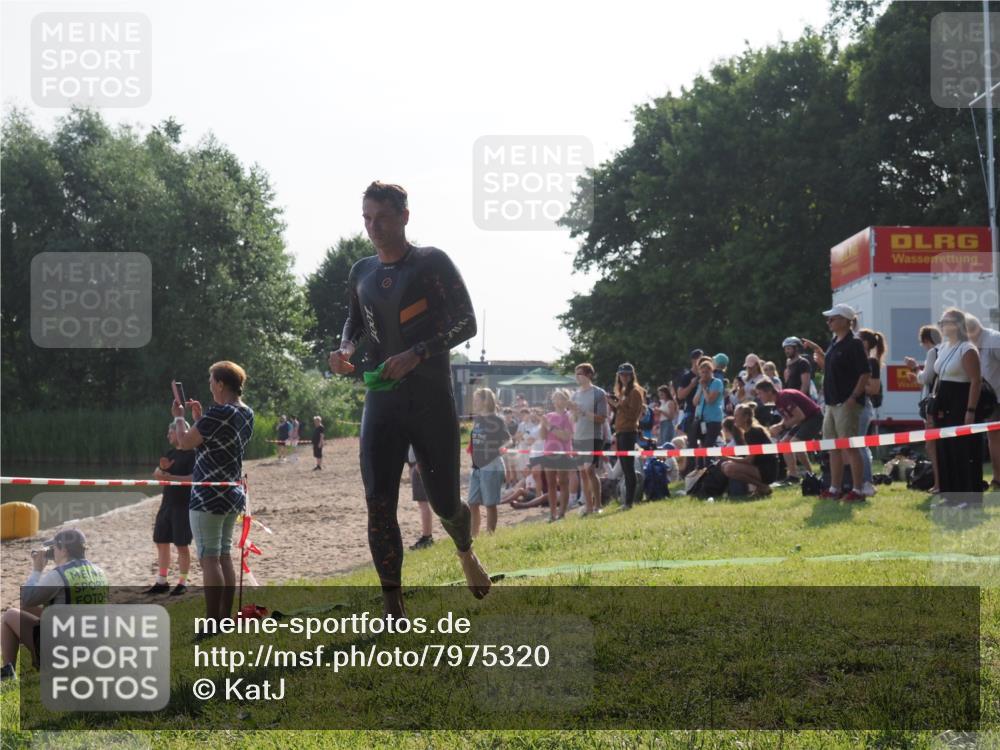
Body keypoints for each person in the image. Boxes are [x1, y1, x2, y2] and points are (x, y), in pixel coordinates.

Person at [329, 181, 490, 617]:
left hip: (430, 400)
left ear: (404, 216)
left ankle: (464, 550)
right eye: (366, 218)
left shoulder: (431, 263)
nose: (372, 227)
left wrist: (417, 352)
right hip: (382, 401)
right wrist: (345, 350)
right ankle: (392, 606)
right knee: (378, 501)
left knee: (442, 500)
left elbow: (467, 323)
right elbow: (354, 322)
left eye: (381, 217)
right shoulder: (360, 271)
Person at [173, 360, 255, 627]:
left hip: (207, 495)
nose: (209, 387)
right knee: (223, 556)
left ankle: (212, 621)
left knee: (209, 557)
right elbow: (219, 443)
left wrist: (180, 417)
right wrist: (199, 420)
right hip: (231, 493)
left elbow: (184, 443)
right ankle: (225, 618)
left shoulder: (218, 413)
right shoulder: (246, 413)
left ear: (221, 383)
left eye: (211, 382)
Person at [1, 529, 107, 681]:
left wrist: (37, 570)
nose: (53, 552)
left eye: (54, 548)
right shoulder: (99, 572)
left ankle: (8, 674)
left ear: (63, 550)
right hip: (91, 649)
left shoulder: (59, 574)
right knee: (28, 609)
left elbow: (26, 598)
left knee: (10, 615)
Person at [810, 304, 870, 502]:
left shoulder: (854, 343)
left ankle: (858, 490)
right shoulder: (834, 342)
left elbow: (865, 373)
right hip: (831, 403)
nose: (829, 322)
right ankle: (835, 488)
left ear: (845, 321)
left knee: (850, 447)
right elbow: (831, 370)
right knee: (832, 447)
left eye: (833, 318)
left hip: (847, 403)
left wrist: (853, 397)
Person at [932, 308, 984, 507]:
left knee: (962, 450)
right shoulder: (944, 347)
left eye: (946, 322)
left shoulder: (967, 348)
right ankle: (950, 495)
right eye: (941, 322)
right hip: (943, 403)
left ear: (958, 325)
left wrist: (970, 411)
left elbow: (975, 380)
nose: (942, 326)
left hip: (961, 402)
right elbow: (939, 375)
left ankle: (968, 498)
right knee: (945, 449)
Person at [144, 420, 196, 595]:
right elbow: (157, 475)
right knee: (161, 540)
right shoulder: (171, 452)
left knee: (182, 544)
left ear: (182, 432)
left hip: (184, 505)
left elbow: (193, 478)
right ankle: (162, 580)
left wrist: (170, 476)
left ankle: (182, 582)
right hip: (167, 502)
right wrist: (162, 471)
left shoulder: (193, 453)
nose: (168, 435)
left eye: (171, 431)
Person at [755, 380, 822, 482]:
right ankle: (793, 476)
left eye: (760, 393)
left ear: (769, 391)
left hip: (814, 418)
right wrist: (779, 426)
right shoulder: (778, 400)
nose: (759, 397)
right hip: (804, 420)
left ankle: (810, 474)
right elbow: (789, 417)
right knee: (784, 444)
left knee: (795, 443)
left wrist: (781, 427)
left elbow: (799, 416)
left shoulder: (783, 397)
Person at [904, 325, 943, 493]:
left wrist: (914, 368)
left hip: (932, 407)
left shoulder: (933, 352)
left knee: (931, 446)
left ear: (926, 340)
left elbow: (925, 378)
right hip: (943, 405)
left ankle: (938, 483)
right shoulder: (945, 350)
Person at [964, 314, 1000, 489]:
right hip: (992, 402)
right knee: (993, 439)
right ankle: (997, 478)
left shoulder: (994, 340)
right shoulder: (976, 344)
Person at [468, 388, 510, 536]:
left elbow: (508, 439)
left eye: (476, 399)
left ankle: (490, 535)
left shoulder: (497, 420)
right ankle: (474, 535)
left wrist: (500, 448)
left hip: (491, 465)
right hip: (476, 467)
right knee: (472, 502)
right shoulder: (478, 419)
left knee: (490, 503)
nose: (474, 402)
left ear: (485, 401)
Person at [570, 363, 608, 517]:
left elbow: (602, 418)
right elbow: (573, 418)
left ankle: (598, 505)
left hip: (593, 436)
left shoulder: (599, 393)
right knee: (582, 473)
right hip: (578, 436)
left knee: (590, 470)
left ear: (589, 375)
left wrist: (583, 412)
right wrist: (574, 413)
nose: (578, 376)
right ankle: (588, 506)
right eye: (576, 374)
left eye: (581, 373)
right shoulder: (575, 395)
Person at [609, 363, 646, 510]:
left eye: (627, 374)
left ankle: (629, 502)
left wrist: (617, 405)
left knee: (628, 468)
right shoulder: (624, 391)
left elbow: (632, 414)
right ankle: (627, 501)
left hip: (628, 432)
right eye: (622, 374)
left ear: (632, 375)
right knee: (625, 468)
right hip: (621, 431)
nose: (624, 377)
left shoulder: (635, 392)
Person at [720, 403, 777, 497]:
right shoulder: (748, 433)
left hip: (767, 470)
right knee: (725, 466)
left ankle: (762, 487)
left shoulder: (753, 432)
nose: (734, 419)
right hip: (761, 468)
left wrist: (726, 457)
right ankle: (760, 488)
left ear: (746, 417)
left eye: (737, 416)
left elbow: (749, 460)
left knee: (728, 467)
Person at [856, 329, 887, 497]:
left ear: (866, 343)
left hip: (863, 407)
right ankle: (859, 480)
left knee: (859, 445)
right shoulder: (857, 361)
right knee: (860, 446)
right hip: (856, 406)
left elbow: (874, 389)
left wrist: (855, 386)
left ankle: (867, 482)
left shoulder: (872, 362)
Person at [540, 388, 575, 521]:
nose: (557, 401)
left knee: (563, 482)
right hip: (549, 452)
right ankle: (552, 513)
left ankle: (562, 513)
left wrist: (549, 427)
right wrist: (543, 425)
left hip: (563, 452)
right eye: (555, 398)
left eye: (561, 398)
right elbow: (543, 436)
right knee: (551, 484)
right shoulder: (548, 416)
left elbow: (566, 436)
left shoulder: (568, 416)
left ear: (566, 400)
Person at [691, 356, 725, 469]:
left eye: (707, 372)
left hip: (713, 420)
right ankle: (699, 468)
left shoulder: (717, 383)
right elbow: (695, 402)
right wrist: (701, 388)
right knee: (700, 445)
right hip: (701, 420)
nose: (704, 375)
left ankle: (708, 469)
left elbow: (710, 400)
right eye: (702, 372)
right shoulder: (701, 385)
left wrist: (705, 388)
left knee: (708, 445)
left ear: (711, 371)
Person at [407, 446, 434, 550]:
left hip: (419, 464)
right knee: (423, 503)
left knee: (423, 503)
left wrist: (419, 460)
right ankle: (427, 536)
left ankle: (427, 537)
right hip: (417, 463)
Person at [677, 349, 704, 437]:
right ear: (693, 360)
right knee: (691, 440)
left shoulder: (705, 375)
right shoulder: (687, 376)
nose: (701, 362)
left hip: (704, 413)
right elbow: (680, 395)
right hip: (691, 413)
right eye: (699, 359)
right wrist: (691, 385)